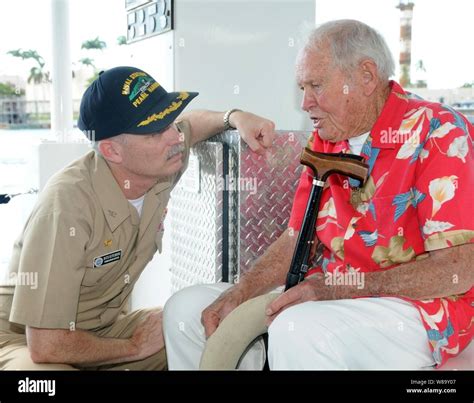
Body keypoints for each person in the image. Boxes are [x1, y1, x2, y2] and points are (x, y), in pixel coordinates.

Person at [164, 20, 474, 370]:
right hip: (327, 288)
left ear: (367, 77)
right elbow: (297, 238)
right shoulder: (327, 136)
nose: (305, 102)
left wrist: (339, 289)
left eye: (316, 85)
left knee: (300, 331)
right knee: (187, 310)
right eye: (302, 87)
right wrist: (242, 289)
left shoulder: (440, 133)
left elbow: (460, 269)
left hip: (417, 305)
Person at [0, 66, 275, 370]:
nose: (174, 138)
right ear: (112, 151)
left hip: (104, 329)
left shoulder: (156, 163)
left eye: (169, 122)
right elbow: (46, 345)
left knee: (205, 331)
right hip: (25, 341)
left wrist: (234, 117)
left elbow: (192, 126)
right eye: (156, 131)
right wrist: (133, 347)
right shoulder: (65, 207)